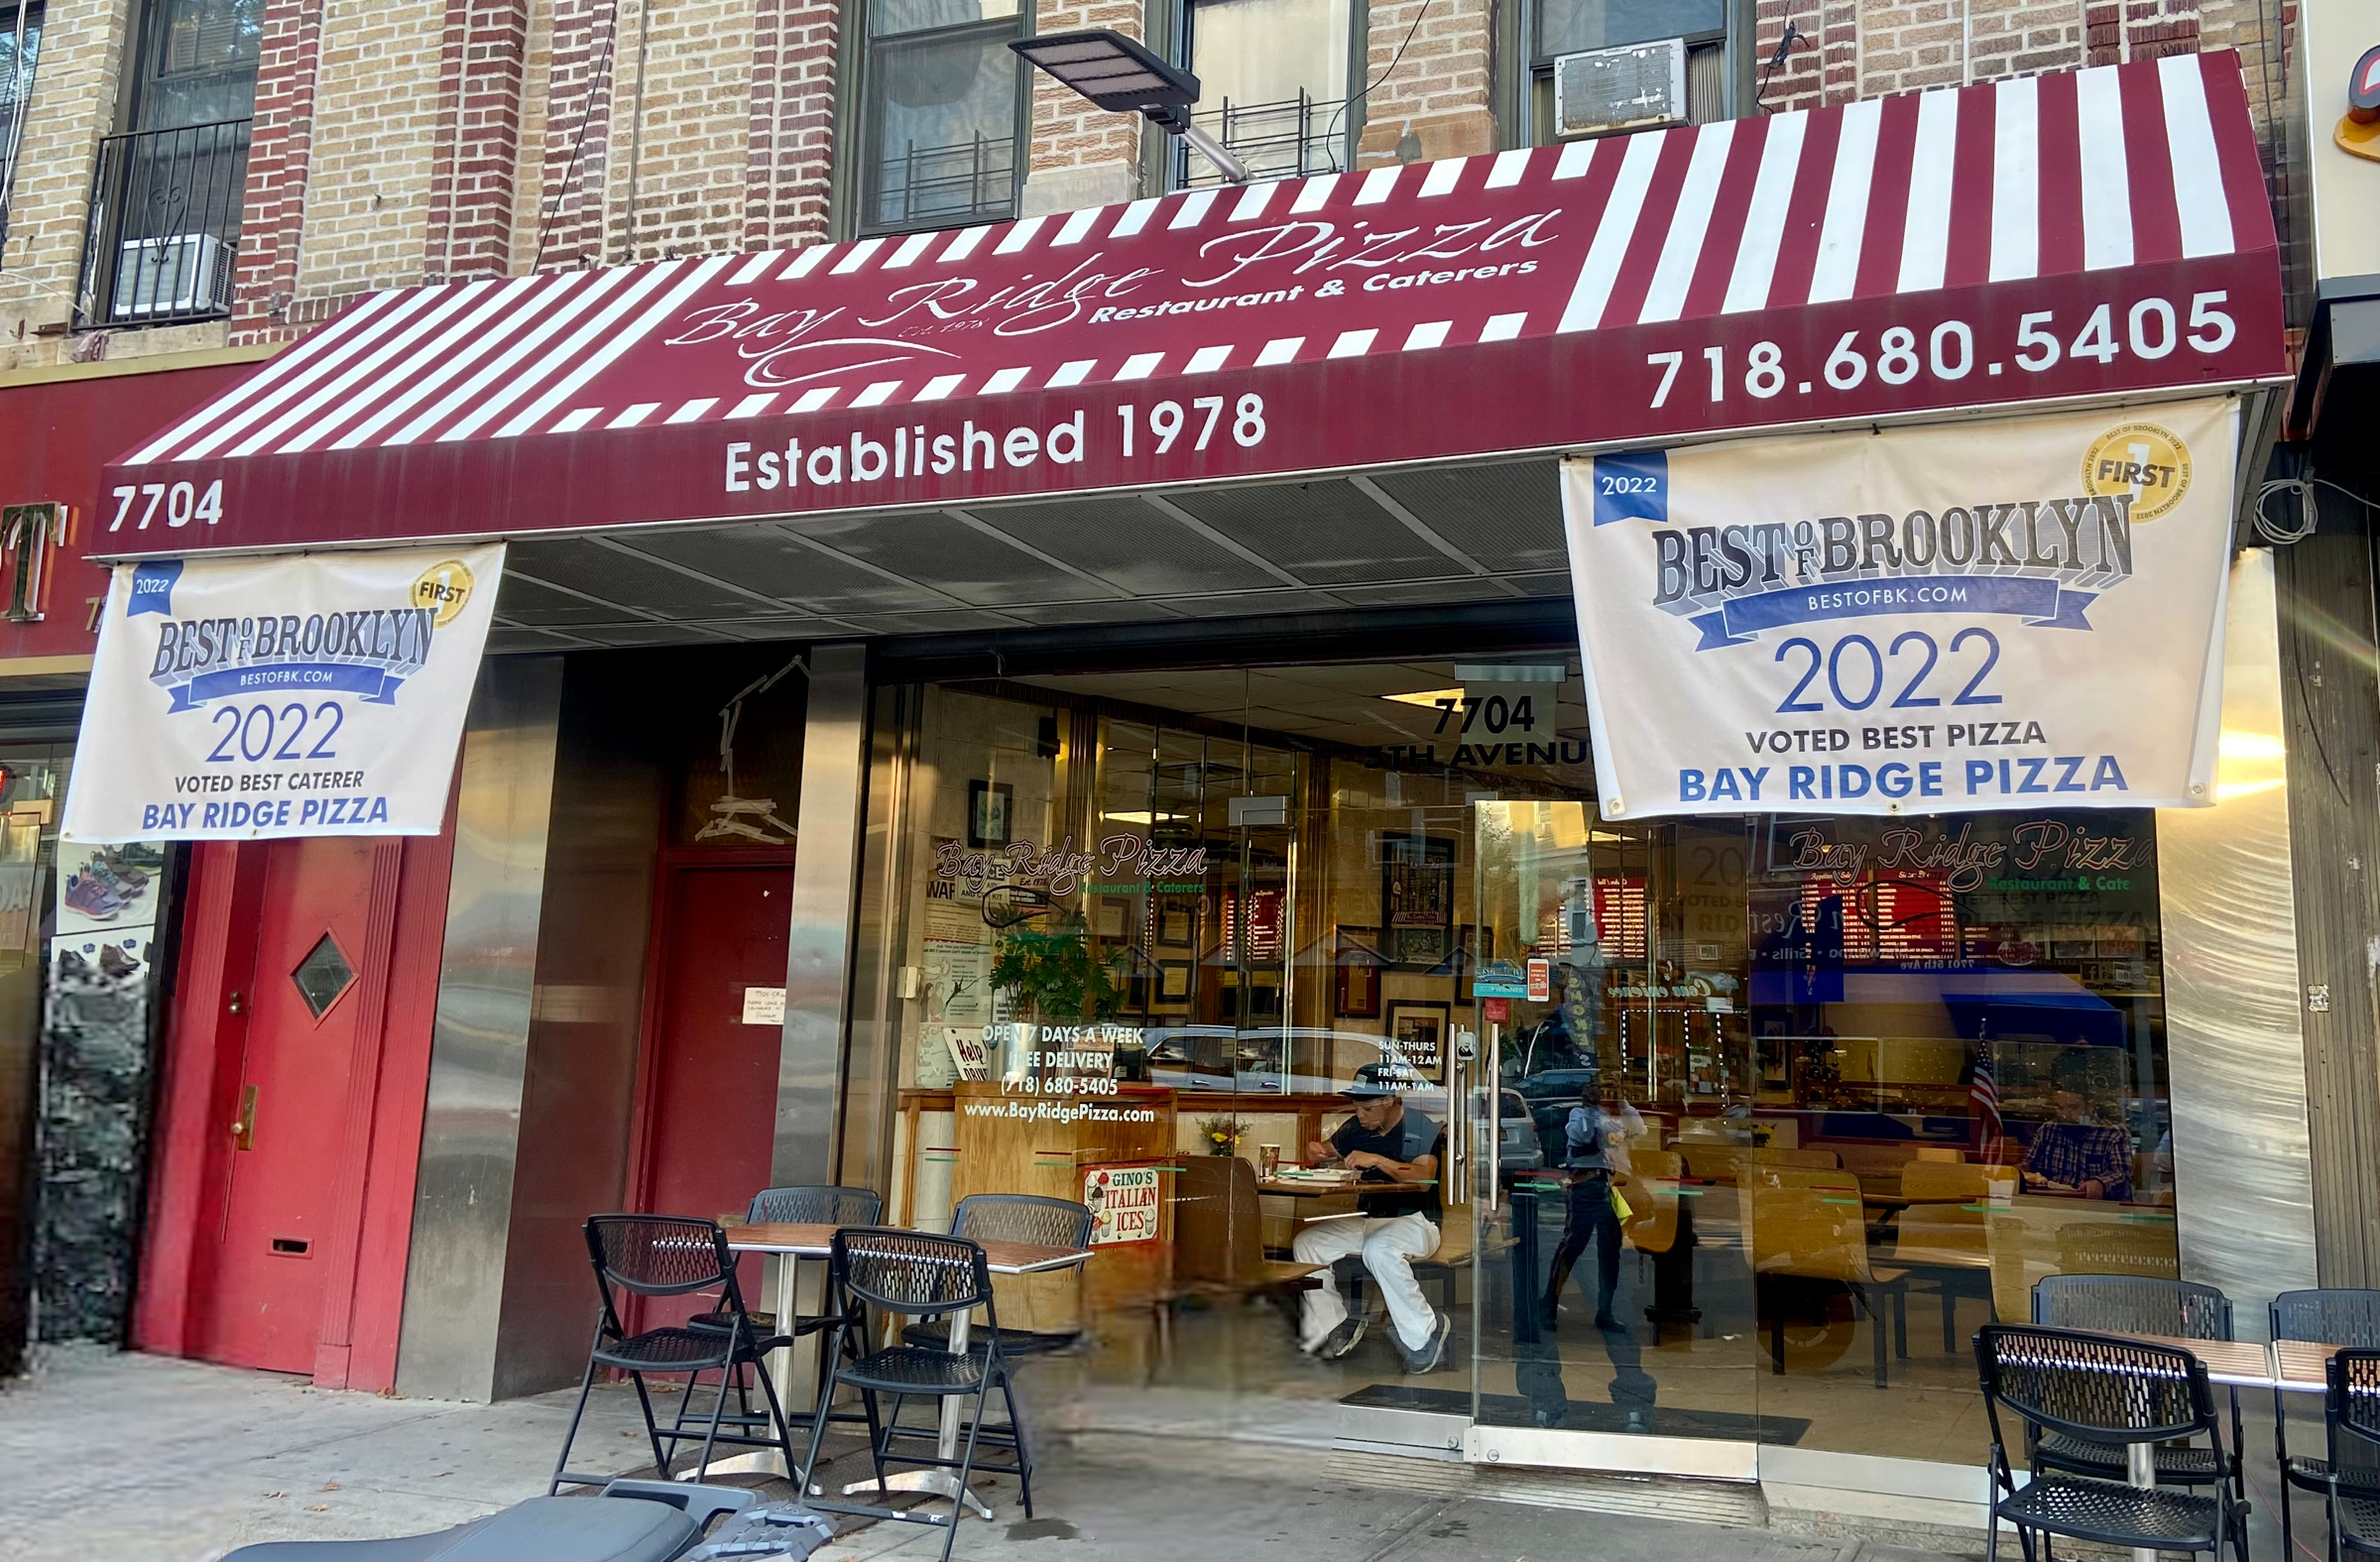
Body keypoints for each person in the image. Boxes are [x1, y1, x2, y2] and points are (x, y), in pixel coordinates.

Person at [1293, 1063, 1451, 1373]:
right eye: (1356, 1107)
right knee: (1307, 1243)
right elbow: (1324, 1150)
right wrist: (1317, 1151)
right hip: (1368, 1220)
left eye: (1366, 1107)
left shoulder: (1418, 1126)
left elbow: (1423, 1177)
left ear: (1390, 1100)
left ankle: (1424, 1335)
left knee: (1379, 1249)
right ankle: (1337, 1325)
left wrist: (1378, 1160)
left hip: (1416, 1220)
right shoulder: (1356, 1127)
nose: (1360, 1114)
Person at [1542, 1084, 1641, 1330]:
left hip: (1605, 1187)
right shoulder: (1579, 1115)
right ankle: (1549, 1304)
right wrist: (1592, 1113)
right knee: (1572, 1246)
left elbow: (1638, 1129)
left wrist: (1623, 1105)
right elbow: (1583, 1136)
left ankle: (1605, 1310)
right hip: (1584, 1187)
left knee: (1610, 1251)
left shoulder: (1611, 1116)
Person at [2020, 1090, 2132, 1201]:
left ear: (2090, 1107)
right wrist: (2021, 1170)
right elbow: (2030, 1166)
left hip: (2098, 1205)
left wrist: (2100, 1183)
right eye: (2060, 1107)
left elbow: (2122, 1173)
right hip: (2054, 1201)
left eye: (2073, 1108)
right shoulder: (2047, 1130)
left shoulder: (2113, 1133)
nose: (2065, 1114)